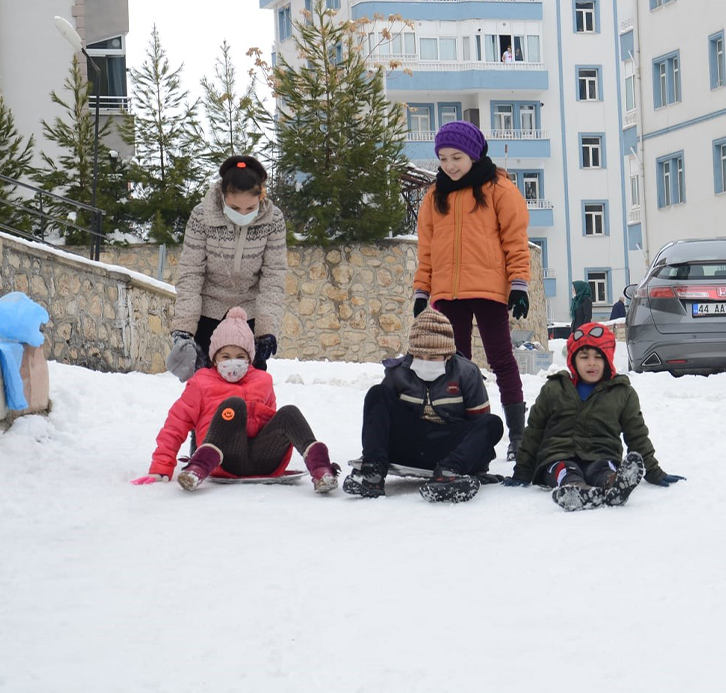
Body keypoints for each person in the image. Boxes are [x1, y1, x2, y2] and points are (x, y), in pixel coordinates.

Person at [413, 120, 531, 462]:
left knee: (501, 360)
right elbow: (428, 250)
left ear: (474, 154)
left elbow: (515, 242)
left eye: (457, 157)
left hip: (490, 291)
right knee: (456, 366)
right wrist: (422, 290)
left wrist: (519, 284)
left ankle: (518, 436)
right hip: (448, 294)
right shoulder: (435, 197)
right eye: (443, 158)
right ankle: (462, 432)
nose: (449, 165)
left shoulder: (499, 190)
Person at [133, 307, 339, 493]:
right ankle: (198, 469)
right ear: (214, 358)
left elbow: (272, 426)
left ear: (249, 359)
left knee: (289, 413)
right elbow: (175, 425)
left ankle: (321, 468)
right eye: (226, 356)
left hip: (263, 457)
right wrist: (161, 467)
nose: (234, 362)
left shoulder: (263, 381)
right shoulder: (201, 383)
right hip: (223, 459)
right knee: (234, 405)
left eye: (240, 356)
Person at [504, 322, 685, 511]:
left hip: (602, 454)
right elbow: (534, 431)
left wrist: (654, 472)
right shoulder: (554, 388)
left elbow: (636, 435)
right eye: (584, 357)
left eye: (599, 357)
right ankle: (574, 489)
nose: (592, 362)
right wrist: (522, 472)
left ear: (608, 359)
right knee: (564, 469)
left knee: (605, 469)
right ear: (573, 360)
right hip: (559, 455)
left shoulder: (622, 392)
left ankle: (614, 485)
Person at [344, 308, 505, 503]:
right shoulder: (398, 373)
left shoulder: (467, 373)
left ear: (447, 355)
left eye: (433, 358)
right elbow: (381, 418)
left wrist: (476, 465)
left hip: (449, 447)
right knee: (377, 394)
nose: (425, 362)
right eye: (419, 356)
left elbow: (479, 428)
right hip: (408, 443)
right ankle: (373, 472)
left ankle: (448, 473)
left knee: (492, 423)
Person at [166, 155, 286, 383]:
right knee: (205, 386)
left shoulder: (273, 220)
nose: (242, 214)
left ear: (261, 197)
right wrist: (184, 330)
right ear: (222, 195)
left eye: (250, 207)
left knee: (251, 387)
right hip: (208, 312)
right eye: (234, 207)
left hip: (248, 314)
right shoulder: (202, 216)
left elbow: (273, 277)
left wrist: (266, 330)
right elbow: (191, 273)